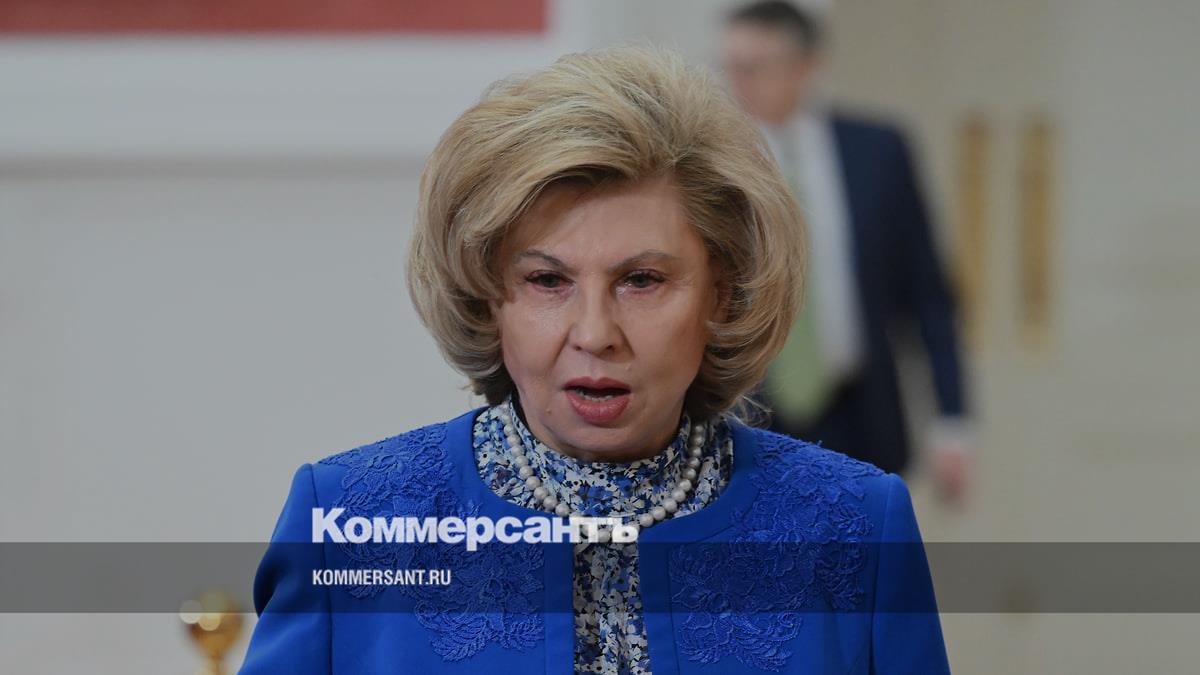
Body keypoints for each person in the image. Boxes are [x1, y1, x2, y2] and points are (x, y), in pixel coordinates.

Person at [239, 46, 950, 674]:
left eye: (642, 280)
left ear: (722, 293)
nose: (595, 332)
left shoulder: (857, 526)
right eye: (547, 281)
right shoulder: (346, 519)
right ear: (488, 296)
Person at [723, 0, 974, 503]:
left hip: (859, 411)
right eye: (731, 67)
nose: (739, 83)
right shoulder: (716, 162)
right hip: (747, 416)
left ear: (806, 67)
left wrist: (953, 421)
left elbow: (927, 291)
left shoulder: (879, 150)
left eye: (756, 67)